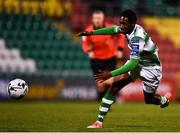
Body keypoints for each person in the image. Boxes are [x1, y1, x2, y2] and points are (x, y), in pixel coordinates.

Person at [78, 9, 172, 128]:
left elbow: (132, 64)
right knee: (115, 86)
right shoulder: (127, 28)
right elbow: (113, 30)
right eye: (121, 23)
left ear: (133, 23)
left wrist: (111, 73)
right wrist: (91, 33)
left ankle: (163, 100)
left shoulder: (137, 38)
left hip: (151, 69)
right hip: (138, 64)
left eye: (124, 24)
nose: (122, 26)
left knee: (149, 100)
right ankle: (98, 122)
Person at [81, 10, 126, 100]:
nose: (97, 20)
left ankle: (113, 95)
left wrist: (120, 49)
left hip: (110, 59)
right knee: (100, 84)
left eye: (99, 18)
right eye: (95, 18)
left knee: (108, 80)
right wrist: (89, 52)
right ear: (92, 19)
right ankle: (103, 101)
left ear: (103, 19)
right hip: (96, 60)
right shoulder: (88, 31)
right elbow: (85, 44)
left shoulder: (110, 28)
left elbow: (121, 35)